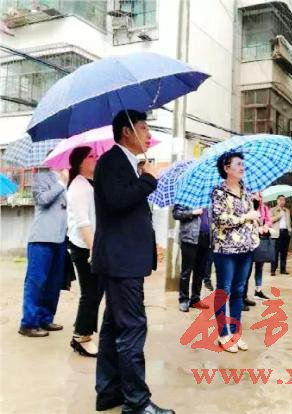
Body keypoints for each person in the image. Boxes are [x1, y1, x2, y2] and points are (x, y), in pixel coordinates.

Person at [92, 110, 173, 414]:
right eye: (143, 127)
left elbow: (130, 212)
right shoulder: (111, 161)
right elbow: (118, 201)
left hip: (124, 259)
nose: (148, 134)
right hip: (120, 261)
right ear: (126, 131)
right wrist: (148, 179)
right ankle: (137, 403)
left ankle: (109, 392)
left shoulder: (127, 163)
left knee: (114, 327)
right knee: (132, 328)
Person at [211, 151, 260, 353]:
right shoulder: (218, 192)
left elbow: (250, 218)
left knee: (239, 291)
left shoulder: (246, 191)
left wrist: (257, 221)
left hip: (246, 248)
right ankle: (223, 334)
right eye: (238, 164)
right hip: (225, 249)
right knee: (224, 290)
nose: (242, 167)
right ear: (226, 168)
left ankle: (235, 333)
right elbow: (221, 219)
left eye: (243, 164)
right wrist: (246, 217)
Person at [18, 166, 68, 337]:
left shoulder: (69, 181)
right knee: (36, 282)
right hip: (41, 239)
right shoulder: (42, 177)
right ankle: (28, 323)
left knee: (54, 283)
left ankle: (45, 319)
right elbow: (42, 199)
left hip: (60, 239)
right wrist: (61, 183)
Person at [66, 146, 102, 357]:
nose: (95, 158)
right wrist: (93, 250)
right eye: (90, 156)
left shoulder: (89, 183)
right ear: (80, 162)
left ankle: (81, 331)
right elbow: (83, 222)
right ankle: (81, 336)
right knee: (90, 293)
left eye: (96, 155)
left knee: (94, 292)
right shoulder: (79, 186)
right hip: (84, 246)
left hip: (91, 244)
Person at [172, 205, 211, 312]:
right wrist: (192, 212)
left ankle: (195, 299)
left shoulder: (208, 198)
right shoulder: (185, 197)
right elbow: (176, 214)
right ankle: (183, 300)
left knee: (200, 272)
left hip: (206, 238)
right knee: (186, 272)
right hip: (189, 238)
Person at [243, 192, 274, 310]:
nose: (258, 197)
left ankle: (257, 291)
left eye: (260, 195)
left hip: (260, 241)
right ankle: (242, 296)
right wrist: (256, 227)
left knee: (259, 266)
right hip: (249, 242)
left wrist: (266, 226)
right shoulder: (247, 206)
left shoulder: (264, 208)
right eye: (255, 194)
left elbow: (269, 220)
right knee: (246, 270)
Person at [270, 195, 292, 276]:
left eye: (284, 200)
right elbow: (270, 220)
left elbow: (289, 221)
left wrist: (290, 229)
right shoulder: (272, 210)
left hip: (285, 232)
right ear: (277, 201)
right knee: (275, 253)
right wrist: (279, 215)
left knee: (284, 252)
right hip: (277, 233)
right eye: (281, 200)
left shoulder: (287, 210)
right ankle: (273, 270)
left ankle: (283, 269)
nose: (282, 201)